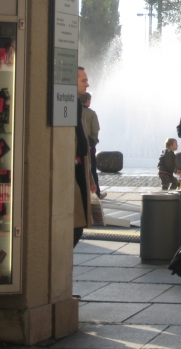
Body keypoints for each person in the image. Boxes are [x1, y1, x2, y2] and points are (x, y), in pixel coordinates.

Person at [74, 67, 96, 247]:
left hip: (80, 170)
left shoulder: (78, 108)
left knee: (78, 226)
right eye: (84, 80)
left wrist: (90, 178)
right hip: (71, 173)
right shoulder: (67, 106)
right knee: (76, 226)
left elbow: (84, 144)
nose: (87, 84)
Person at [80, 92, 104, 199]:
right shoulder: (91, 113)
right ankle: (96, 193)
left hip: (78, 144)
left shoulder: (75, 111)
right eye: (90, 100)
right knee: (92, 169)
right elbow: (95, 129)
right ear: (87, 100)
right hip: (89, 143)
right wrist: (93, 141)